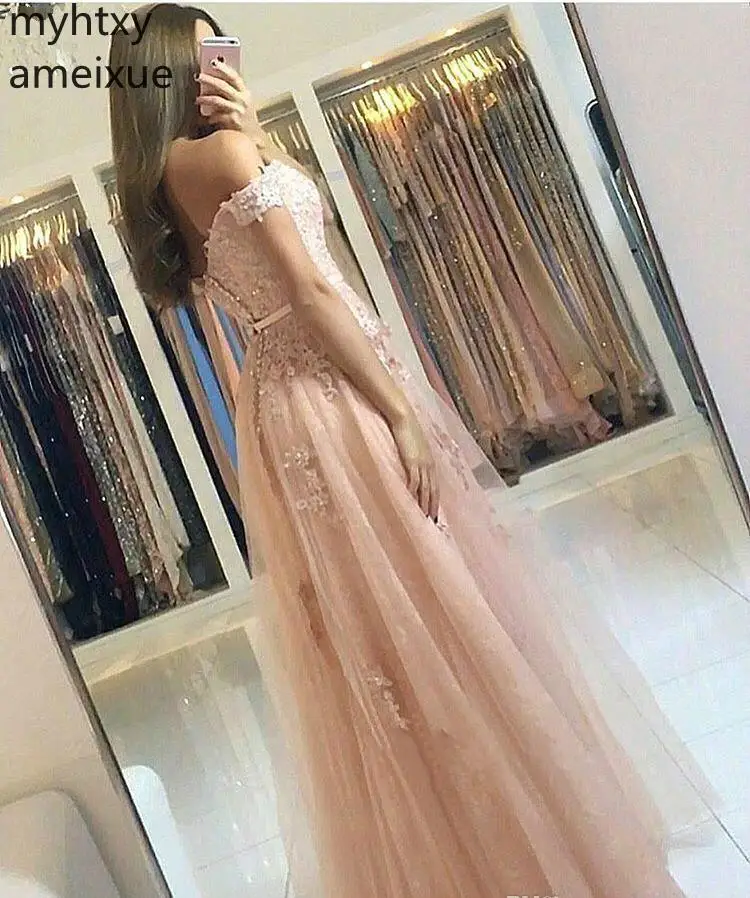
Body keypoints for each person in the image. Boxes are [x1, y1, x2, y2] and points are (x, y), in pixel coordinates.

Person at [109, 6, 706, 896]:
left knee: (388, 622)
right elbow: (312, 290)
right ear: (162, 79)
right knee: (435, 597)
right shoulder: (224, 155)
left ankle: (466, 847)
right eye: (198, 62)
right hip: (334, 396)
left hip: (286, 401)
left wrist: (257, 130)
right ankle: (528, 837)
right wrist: (398, 411)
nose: (217, 73)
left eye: (219, 53)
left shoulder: (171, 175)